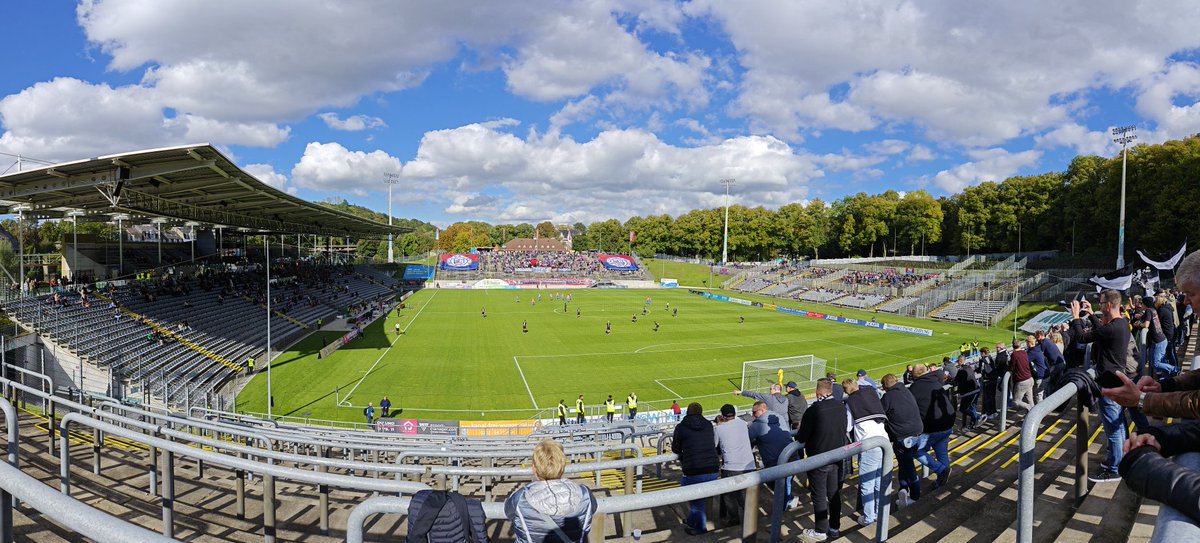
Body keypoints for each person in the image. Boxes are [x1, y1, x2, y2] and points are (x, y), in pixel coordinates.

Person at [1071, 289, 1151, 483]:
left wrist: (1076, 317)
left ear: (1108, 305)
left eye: (1100, 303)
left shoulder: (1112, 328)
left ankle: (1115, 469)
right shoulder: (1121, 323)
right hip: (1117, 381)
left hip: (1110, 385)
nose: (1099, 306)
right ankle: (1119, 460)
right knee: (1120, 425)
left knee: (1114, 430)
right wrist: (1091, 315)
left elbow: (1081, 337)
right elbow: (1103, 331)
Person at [505, 439, 597, 543]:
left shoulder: (520, 498)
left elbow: (509, 512)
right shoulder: (585, 494)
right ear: (562, 468)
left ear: (534, 469)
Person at [795, 378, 849, 541]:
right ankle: (834, 528)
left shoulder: (814, 410)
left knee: (819, 495)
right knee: (833, 494)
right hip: (836, 457)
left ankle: (820, 531)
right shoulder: (841, 406)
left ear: (818, 393)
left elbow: (802, 437)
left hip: (819, 459)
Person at [842, 379, 888, 526]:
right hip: (884, 441)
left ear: (846, 392)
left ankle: (869, 518)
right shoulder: (870, 393)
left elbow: (848, 427)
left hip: (869, 445)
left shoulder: (850, 402)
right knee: (878, 480)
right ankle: (878, 512)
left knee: (867, 484)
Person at [672, 402, 720, 535]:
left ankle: (700, 528)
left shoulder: (681, 427)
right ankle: (692, 520)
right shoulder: (709, 425)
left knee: (696, 503)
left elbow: (676, 449)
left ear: (687, 412)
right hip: (713, 468)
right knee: (697, 500)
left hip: (694, 469)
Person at [909, 364, 955, 490]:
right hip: (947, 425)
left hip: (932, 428)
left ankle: (941, 470)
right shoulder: (936, 382)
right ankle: (942, 480)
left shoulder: (914, 387)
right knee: (942, 452)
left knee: (916, 451)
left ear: (914, 375)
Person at [881, 373, 922, 507]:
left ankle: (915, 496)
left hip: (904, 436)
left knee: (908, 466)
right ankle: (903, 489)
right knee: (904, 463)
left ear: (885, 386)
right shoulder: (906, 391)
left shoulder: (888, 397)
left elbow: (881, 415)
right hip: (917, 433)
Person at [713, 404, 755, 526]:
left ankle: (734, 519)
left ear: (722, 416)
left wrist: (719, 425)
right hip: (749, 465)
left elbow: (715, 445)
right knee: (742, 493)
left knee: (729, 495)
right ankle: (749, 515)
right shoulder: (742, 424)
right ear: (735, 414)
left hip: (732, 467)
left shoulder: (719, 429)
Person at [748, 400, 795, 507]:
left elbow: (747, 440)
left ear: (762, 410)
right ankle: (788, 501)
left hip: (775, 461)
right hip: (791, 455)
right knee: (786, 483)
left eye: (754, 412)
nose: (753, 415)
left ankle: (784, 506)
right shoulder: (779, 417)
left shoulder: (756, 426)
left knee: (775, 483)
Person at [954, 356, 980, 431]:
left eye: (958, 361)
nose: (957, 363)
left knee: (963, 409)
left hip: (968, 393)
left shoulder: (961, 370)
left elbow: (955, 381)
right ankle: (972, 424)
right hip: (976, 390)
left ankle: (977, 417)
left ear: (960, 362)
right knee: (972, 407)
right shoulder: (969, 367)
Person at [1010, 339, 1035, 411]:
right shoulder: (1024, 353)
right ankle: (1033, 413)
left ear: (1013, 346)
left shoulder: (1014, 354)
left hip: (1022, 381)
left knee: (1016, 401)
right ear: (1020, 345)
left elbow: (1011, 367)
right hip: (1030, 379)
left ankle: (1031, 408)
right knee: (1030, 400)